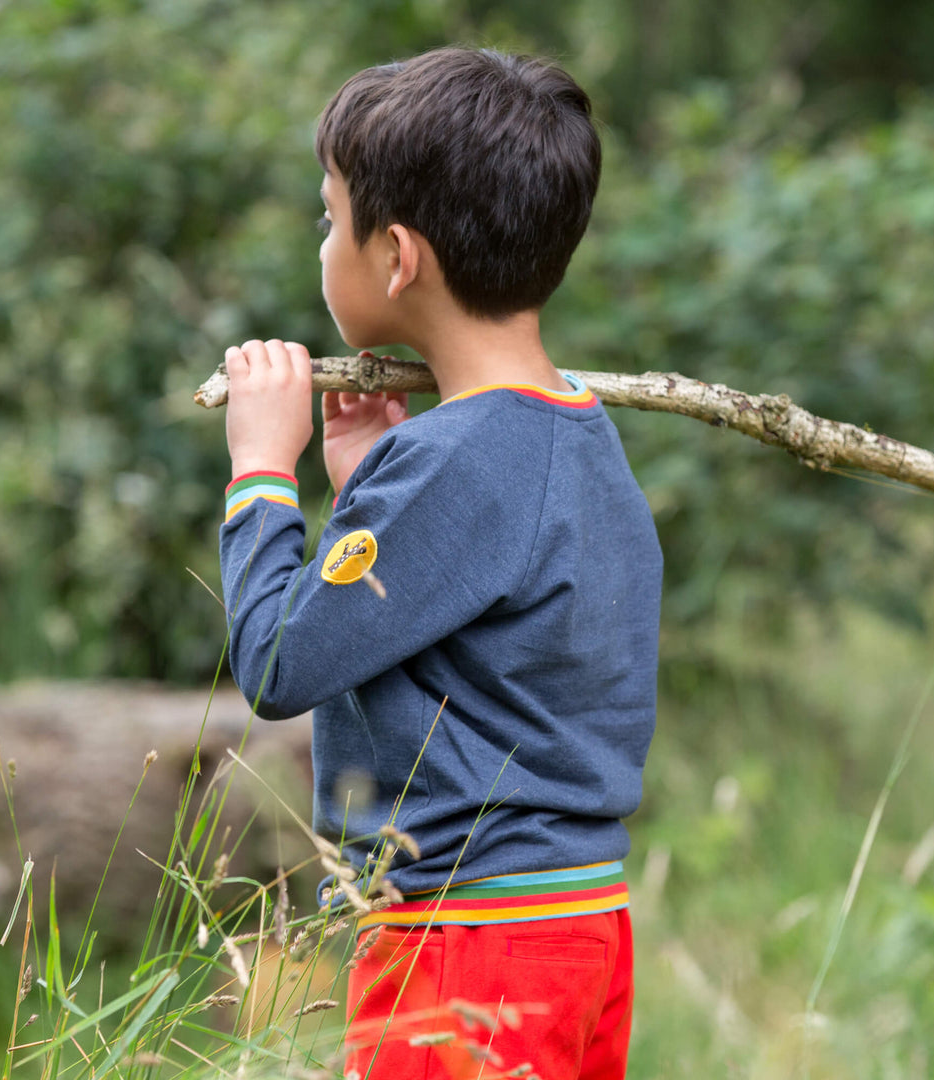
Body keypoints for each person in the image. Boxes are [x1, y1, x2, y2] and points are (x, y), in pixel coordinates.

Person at [219, 47, 662, 1079]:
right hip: (580, 926)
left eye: (329, 217)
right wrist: (367, 476)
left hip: (469, 946)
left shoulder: (451, 463)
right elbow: (464, 618)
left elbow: (281, 663)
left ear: (397, 259)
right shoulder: (574, 436)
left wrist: (260, 474)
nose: (324, 241)